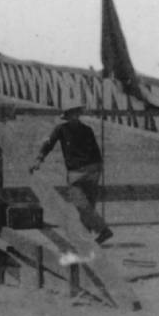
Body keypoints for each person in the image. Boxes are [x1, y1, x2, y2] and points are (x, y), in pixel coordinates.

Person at [29, 105, 114, 245]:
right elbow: (49, 144)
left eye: (74, 114)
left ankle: (100, 232)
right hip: (84, 172)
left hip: (86, 171)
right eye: (71, 115)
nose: (73, 117)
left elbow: (49, 143)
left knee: (84, 206)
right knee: (84, 206)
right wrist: (39, 159)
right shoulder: (72, 129)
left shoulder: (75, 129)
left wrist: (38, 160)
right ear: (70, 116)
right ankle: (96, 233)